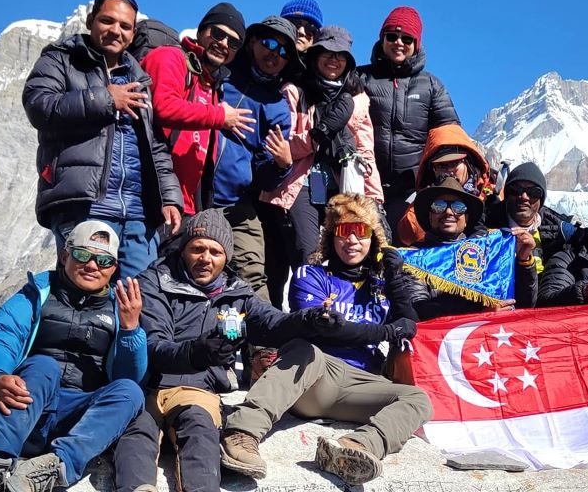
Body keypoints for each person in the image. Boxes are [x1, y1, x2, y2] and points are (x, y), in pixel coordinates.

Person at [112, 209, 415, 492]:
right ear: (183, 250)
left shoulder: (236, 292)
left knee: (201, 435)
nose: (206, 258)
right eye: (197, 249)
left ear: (226, 257)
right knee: (137, 435)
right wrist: (196, 353)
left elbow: (272, 323)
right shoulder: (153, 282)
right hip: (148, 386)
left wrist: (309, 319)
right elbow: (153, 344)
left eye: (215, 252)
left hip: (195, 392)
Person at [220, 194, 426, 486]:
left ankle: (356, 447)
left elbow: (410, 326)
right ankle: (242, 432)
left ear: (374, 239)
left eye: (362, 232)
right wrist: (388, 332)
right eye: (344, 231)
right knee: (303, 349)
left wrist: (394, 279)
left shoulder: (380, 285)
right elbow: (328, 331)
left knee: (417, 399)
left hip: (361, 382)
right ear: (331, 237)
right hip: (314, 376)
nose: (352, 240)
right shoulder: (311, 275)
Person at [0, 221, 146, 492]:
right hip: (28, 411)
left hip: (77, 419)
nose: (93, 265)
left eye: (104, 260)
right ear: (65, 255)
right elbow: (4, 333)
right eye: (83, 255)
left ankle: (54, 467)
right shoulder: (38, 293)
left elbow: (128, 377)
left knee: (131, 392)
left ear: (114, 267)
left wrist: (131, 330)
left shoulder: (119, 308)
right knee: (42, 365)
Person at [23, 0, 183, 277]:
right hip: (85, 205)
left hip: (137, 213)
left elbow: (155, 144)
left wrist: (169, 197)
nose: (115, 31)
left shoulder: (139, 79)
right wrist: (106, 99)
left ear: (133, 34)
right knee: (87, 297)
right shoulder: (62, 60)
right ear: (90, 21)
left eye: (124, 26)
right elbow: (39, 106)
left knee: (141, 301)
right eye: (107, 21)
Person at [259, 25, 383, 309]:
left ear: (348, 63)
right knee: (307, 249)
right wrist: (317, 137)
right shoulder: (294, 91)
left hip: (343, 183)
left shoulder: (357, 100)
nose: (333, 59)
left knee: (348, 249)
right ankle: (308, 312)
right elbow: (282, 143)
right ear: (314, 56)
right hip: (299, 183)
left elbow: (364, 151)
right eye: (326, 52)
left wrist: (375, 198)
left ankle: (344, 312)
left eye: (340, 56)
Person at [211, 16, 300, 301]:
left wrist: (282, 165)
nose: (275, 53)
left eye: (284, 51)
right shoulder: (218, 74)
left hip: (237, 201)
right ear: (252, 42)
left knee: (251, 273)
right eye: (270, 43)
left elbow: (265, 178)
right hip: (190, 194)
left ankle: (264, 344)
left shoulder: (277, 107)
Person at [141, 2, 257, 216]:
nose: (223, 43)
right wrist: (220, 116)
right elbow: (163, 107)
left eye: (233, 42)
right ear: (201, 30)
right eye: (217, 33)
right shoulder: (170, 57)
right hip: (149, 197)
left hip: (185, 207)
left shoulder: (211, 84)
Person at [357, 6, 460, 232]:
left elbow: (449, 133)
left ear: (416, 44)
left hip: (411, 189)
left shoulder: (431, 85)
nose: (399, 42)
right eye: (392, 36)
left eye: (407, 38)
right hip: (363, 184)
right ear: (382, 39)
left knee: (404, 245)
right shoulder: (359, 77)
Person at [407, 177, 537, 319]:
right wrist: (479, 314)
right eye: (439, 206)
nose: (449, 212)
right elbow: (417, 310)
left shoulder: (485, 252)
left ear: (466, 218)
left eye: (458, 207)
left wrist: (524, 262)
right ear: (430, 215)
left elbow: (524, 305)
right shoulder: (414, 257)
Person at [483, 162, 582, 294]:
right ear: (506, 195)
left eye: (533, 192)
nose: (524, 197)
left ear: (541, 199)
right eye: (515, 190)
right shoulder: (485, 223)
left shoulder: (560, 229)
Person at [394, 123, 491, 245]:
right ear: (433, 170)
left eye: (454, 163)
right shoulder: (425, 196)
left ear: (468, 163)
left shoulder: (491, 194)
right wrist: (430, 199)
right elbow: (408, 234)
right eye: (442, 165)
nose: (449, 170)